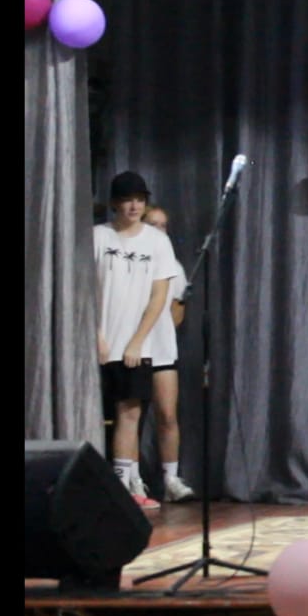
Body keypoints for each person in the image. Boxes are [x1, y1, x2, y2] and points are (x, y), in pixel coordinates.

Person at [94, 171, 179, 510]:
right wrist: (96, 335)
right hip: (100, 342)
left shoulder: (157, 242)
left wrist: (137, 341)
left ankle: (124, 487)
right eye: (127, 200)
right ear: (114, 203)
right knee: (100, 415)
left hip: (135, 346)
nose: (134, 206)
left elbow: (160, 296)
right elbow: (83, 288)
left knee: (129, 414)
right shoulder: (98, 236)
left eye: (140, 200)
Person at [141, 205, 196, 503]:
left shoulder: (173, 267)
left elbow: (177, 311)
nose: (159, 231)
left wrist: (158, 332)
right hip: (131, 348)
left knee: (167, 413)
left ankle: (171, 479)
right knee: (131, 415)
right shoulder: (133, 260)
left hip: (162, 349)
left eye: (163, 226)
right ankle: (131, 479)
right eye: (153, 224)